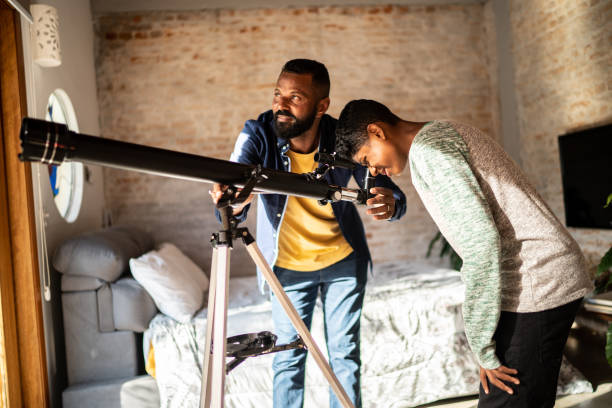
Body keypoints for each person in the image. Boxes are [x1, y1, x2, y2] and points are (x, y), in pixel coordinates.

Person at [334, 99, 593, 408]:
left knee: (504, 399)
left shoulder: (431, 152)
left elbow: (481, 245)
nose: (373, 170)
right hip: (543, 273)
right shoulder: (438, 135)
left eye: (367, 159)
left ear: (377, 131)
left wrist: (481, 344)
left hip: (538, 279)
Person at [210, 61, 406, 408]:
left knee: (345, 357)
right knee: (288, 359)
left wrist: (389, 203)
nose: (281, 105)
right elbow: (232, 186)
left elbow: (381, 183)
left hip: (343, 263)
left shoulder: (341, 138)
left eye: (295, 97)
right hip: (286, 267)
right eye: (277, 95)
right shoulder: (257, 133)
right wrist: (233, 202)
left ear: (321, 106)